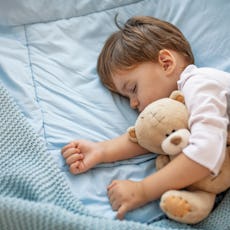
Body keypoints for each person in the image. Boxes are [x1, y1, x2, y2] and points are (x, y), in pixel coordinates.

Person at [61, 16, 230, 220]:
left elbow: (206, 152)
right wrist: (102, 151)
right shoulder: (181, 105)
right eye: (126, 98)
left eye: (133, 89)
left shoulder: (200, 84)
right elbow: (156, 133)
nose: (133, 104)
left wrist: (142, 191)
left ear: (166, 63)